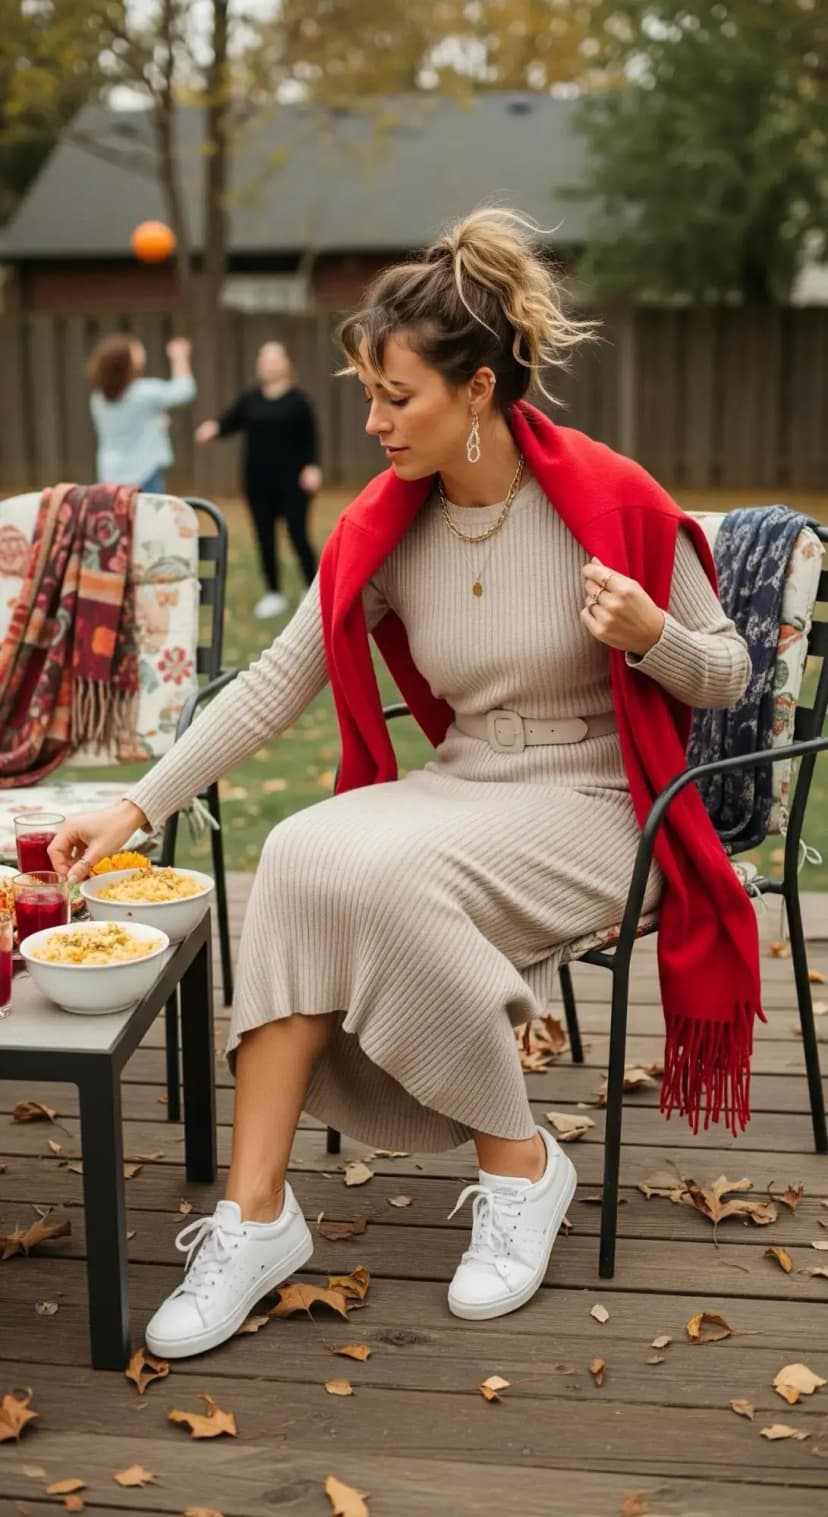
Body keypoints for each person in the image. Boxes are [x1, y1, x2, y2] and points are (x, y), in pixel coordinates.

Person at [51, 208, 756, 1362]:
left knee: (389, 874)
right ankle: (256, 1215)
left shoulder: (612, 501)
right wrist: (137, 802)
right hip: (468, 778)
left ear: (477, 390)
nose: (373, 421)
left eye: (396, 395)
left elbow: (724, 668)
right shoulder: (390, 524)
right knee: (297, 849)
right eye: (367, 394)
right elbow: (276, 682)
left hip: (599, 802)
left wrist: (650, 637)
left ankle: (520, 1164)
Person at [195, 341, 322, 619]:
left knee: (298, 535)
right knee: (265, 537)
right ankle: (273, 593)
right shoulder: (250, 400)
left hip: (293, 483)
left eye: (274, 359)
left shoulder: (299, 401)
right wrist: (213, 429)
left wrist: (313, 467)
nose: (268, 364)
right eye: (263, 359)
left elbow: (310, 439)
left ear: (286, 363)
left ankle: (313, 591)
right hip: (258, 482)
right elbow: (229, 421)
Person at [87, 334, 196, 492]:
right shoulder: (143, 392)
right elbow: (184, 391)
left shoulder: (98, 398)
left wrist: (156, 423)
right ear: (127, 362)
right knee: (150, 516)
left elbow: (124, 426)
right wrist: (180, 358)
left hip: (110, 474)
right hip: (144, 473)